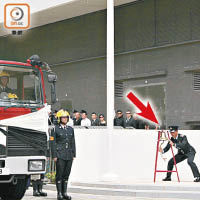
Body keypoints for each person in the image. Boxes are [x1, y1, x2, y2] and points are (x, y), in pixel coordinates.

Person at [51, 109, 76, 200]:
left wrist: (74, 154)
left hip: (68, 154)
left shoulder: (70, 129)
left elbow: (73, 142)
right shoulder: (55, 129)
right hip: (59, 154)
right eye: (63, 118)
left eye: (66, 117)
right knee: (60, 174)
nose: (65, 119)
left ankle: (65, 192)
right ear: (59, 118)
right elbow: (52, 143)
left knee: (66, 174)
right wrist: (54, 155)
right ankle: (59, 194)